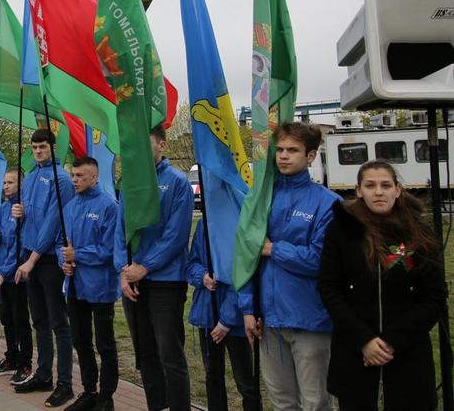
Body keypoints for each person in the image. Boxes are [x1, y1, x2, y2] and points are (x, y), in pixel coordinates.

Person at [319, 160, 446, 411]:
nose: (378, 192)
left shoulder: (418, 232)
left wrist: (392, 341)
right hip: (355, 355)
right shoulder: (341, 230)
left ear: (397, 190)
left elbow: (434, 296)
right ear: (358, 190)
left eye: (386, 185)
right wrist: (364, 340)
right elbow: (330, 288)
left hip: (407, 356)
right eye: (370, 185)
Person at [242, 122, 342, 411]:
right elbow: (247, 259)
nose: (284, 156)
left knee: (316, 402)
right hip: (269, 321)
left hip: (309, 320)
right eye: (281, 150)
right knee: (282, 402)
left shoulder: (329, 203)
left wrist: (273, 249)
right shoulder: (262, 198)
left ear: (310, 156)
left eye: (293, 150)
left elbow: (320, 260)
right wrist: (248, 308)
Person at [113, 125, 194, 411]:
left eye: (147, 144)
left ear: (163, 146)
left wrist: (145, 267)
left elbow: (176, 234)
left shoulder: (177, 182)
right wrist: (123, 271)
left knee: (169, 355)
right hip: (132, 282)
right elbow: (119, 231)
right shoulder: (129, 182)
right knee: (145, 353)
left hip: (165, 282)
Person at [12, 128, 75, 408]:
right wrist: (19, 213)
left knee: (58, 322)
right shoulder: (31, 176)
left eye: (42, 146)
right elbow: (31, 215)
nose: (38, 151)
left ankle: (65, 383)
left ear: (53, 147)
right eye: (34, 147)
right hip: (29, 255)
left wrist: (33, 258)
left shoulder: (61, 179)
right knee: (38, 319)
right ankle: (43, 373)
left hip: (46, 258)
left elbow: (52, 223)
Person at [59, 157, 119, 411]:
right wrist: (64, 260)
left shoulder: (108, 206)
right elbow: (62, 244)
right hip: (75, 286)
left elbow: (108, 249)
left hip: (100, 287)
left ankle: (106, 396)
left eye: (80, 176)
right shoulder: (70, 207)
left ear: (94, 176)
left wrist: (78, 255)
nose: (75, 180)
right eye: (73, 175)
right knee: (81, 341)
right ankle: (89, 390)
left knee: (104, 343)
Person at [187, 220, 260, 411]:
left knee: (246, 381)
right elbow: (192, 262)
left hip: (235, 320)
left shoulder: (238, 221)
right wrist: (202, 276)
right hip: (208, 314)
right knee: (212, 376)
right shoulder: (204, 223)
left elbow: (243, 274)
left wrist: (227, 320)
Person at [0, 169, 33, 385]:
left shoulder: (22, 209)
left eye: (11, 182)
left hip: (15, 274)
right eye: (4, 182)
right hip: (1, 271)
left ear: (20, 185)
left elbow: (21, 246)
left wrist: (3, 273)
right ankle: (11, 357)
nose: (6, 186)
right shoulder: (2, 207)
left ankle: (25, 363)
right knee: (6, 319)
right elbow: (3, 240)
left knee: (20, 319)